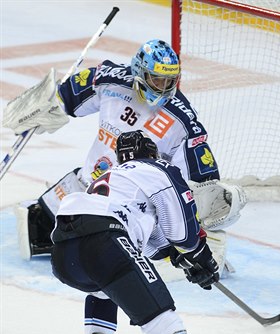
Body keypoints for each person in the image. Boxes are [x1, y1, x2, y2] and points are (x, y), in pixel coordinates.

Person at [2, 39, 245, 275]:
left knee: (103, 259)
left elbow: (203, 185)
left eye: (170, 81)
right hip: (88, 186)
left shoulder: (183, 122)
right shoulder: (109, 80)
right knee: (35, 229)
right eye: (157, 79)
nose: (163, 87)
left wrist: (197, 237)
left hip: (131, 209)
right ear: (138, 71)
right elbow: (66, 95)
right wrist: (48, 103)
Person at [51, 130, 219, 334]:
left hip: (64, 254)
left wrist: (177, 256)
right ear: (153, 154)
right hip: (105, 242)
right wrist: (200, 255)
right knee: (163, 323)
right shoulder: (160, 169)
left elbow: (145, 244)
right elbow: (182, 231)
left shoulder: (110, 178)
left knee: (105, 285)